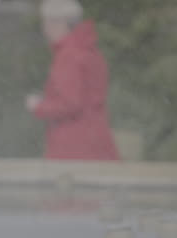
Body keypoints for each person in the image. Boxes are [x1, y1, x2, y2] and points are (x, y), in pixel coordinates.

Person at [26, 0, 119, 161]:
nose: (45, 29)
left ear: (61, 23)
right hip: (97, 143)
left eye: (48, 22)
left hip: (73, 149)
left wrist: (38, 106)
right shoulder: (90, 51)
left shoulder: (69, 55)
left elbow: (69, 104)